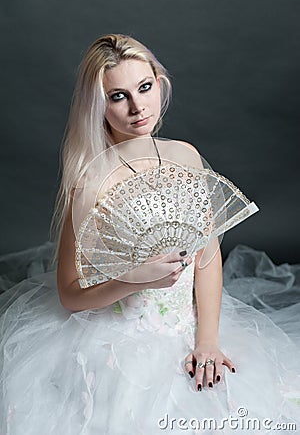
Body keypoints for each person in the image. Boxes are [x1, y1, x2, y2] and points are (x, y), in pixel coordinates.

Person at [0, 34, 299, 435]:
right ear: (98, 106)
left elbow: (207, 257)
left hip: (193, 325)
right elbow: (70, 295)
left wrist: (207, 340)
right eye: (118, 96)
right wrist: (130, 279)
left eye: (144, 87)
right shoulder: (90, 183)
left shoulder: (185, 155)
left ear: (160, 82)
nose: (138, 107)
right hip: (118, 339)